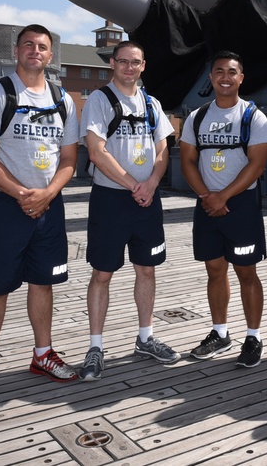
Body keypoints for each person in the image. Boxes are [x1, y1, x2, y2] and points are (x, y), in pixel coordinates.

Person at [0, 24, 80, 401]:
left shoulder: (63, 99)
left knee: (42, 281)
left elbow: (68, 160)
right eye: (28, 44)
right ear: (16, 52)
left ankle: (42, 354)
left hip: (48, 204)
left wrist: (46, 194)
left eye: (42, 46)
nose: (35, 51)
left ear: (50, 56)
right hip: (3, 205)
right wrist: (21, 194)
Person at [79, 40, 179, 381]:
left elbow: (163, 146)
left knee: (147, 269)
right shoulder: (99, 100)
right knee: (102, 273)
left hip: (146, 199)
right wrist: (132, 184)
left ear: (143, 65)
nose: (128, 67)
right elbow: (96, 151)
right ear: (112, 63)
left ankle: (146, 337)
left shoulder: (152, 103)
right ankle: (95, 346)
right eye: (122, 62)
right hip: (112, 201)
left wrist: (151, 181)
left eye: (135, 62)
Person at [180, 50, 267, 367]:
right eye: (219, 71)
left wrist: (224, 196)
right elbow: (188, 160)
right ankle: (220, 333)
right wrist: (208, 195)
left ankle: (253, 336)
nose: (225, 77)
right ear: (211, 77)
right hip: (207, 202)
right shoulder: (197, 117)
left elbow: (257, 164)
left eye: (232, 71)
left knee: (246, 272)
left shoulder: (253, 117)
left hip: (241, 204)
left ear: (241, 78)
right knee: (214, 270)